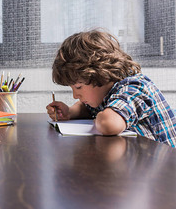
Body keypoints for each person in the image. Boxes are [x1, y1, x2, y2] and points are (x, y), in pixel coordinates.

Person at [46, 30, 176, 147]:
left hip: (165, 168)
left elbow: (108, 124)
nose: (75, 95)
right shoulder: (105, 91)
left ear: (99, 74)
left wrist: (102, 117)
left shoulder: (134, 88)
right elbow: (86, 108)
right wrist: (69, 112)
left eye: (78, 87)